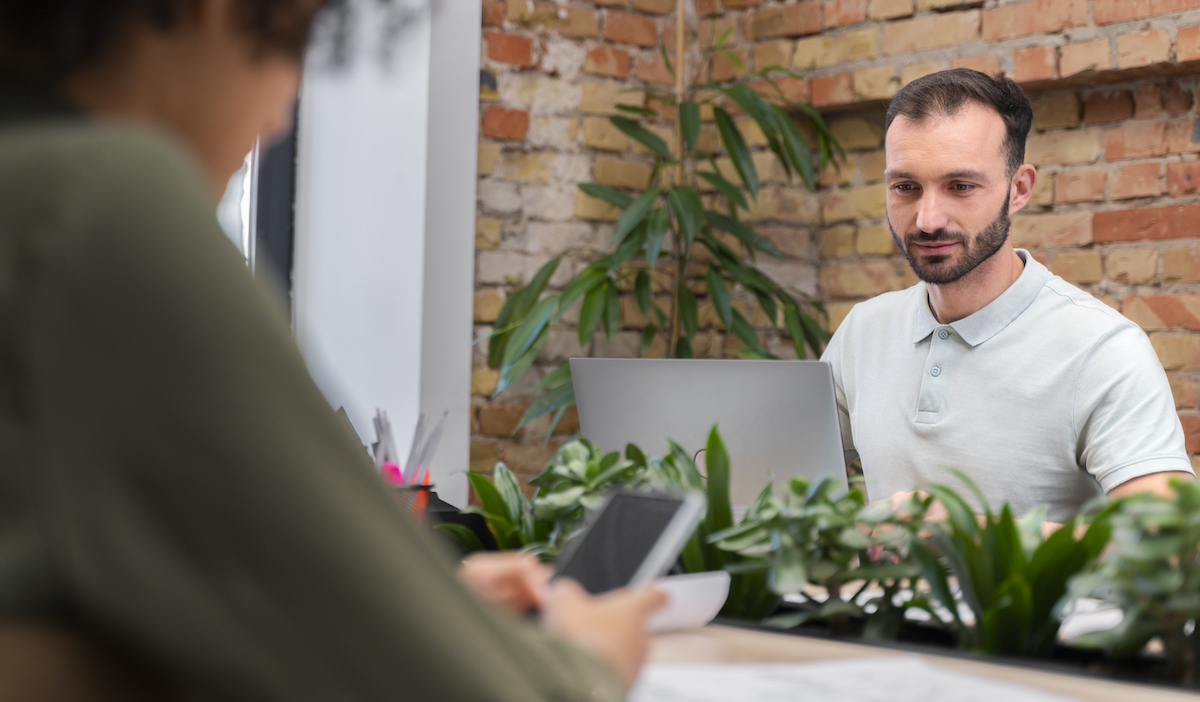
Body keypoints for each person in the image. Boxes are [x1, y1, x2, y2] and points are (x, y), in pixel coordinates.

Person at [0, 0, 663, 700]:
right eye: (293, 42)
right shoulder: (91, 207)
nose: (282, 116)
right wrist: (590, 658)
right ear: (214, 11)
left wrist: (407, 610)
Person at [820, 69, 1195, 524]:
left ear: (1019, 189)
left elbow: (1170, 545)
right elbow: (772, 487)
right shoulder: (863, 330)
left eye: (961, 186)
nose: (928, 218)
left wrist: (968, 533)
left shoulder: (1102, 349)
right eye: (906, 187)